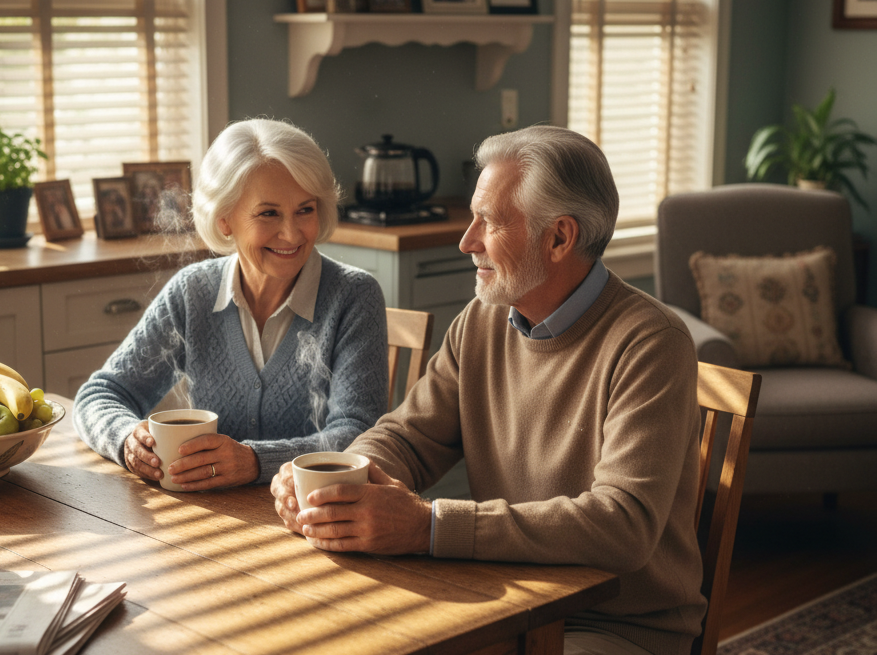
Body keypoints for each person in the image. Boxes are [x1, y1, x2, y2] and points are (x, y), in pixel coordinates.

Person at [271, 125, 706, 655]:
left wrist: (430, 527)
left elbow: (624, 524)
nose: (466, 240)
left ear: (559, 238)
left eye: (490, 222)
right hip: (503, 598)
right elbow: (407, 437)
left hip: (613, 626)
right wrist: (342, 483)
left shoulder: (651, 343)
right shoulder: (483, 319)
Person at [75, 118, 388, 489]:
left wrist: (254, 462)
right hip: (208, 518)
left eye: (305, 209)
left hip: (313, 520)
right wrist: (127, 439)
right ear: (225, 220)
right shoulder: (193, 292)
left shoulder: (354, 297)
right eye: (268, 213)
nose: (292, 233)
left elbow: (357, 436)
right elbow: (100, 394)